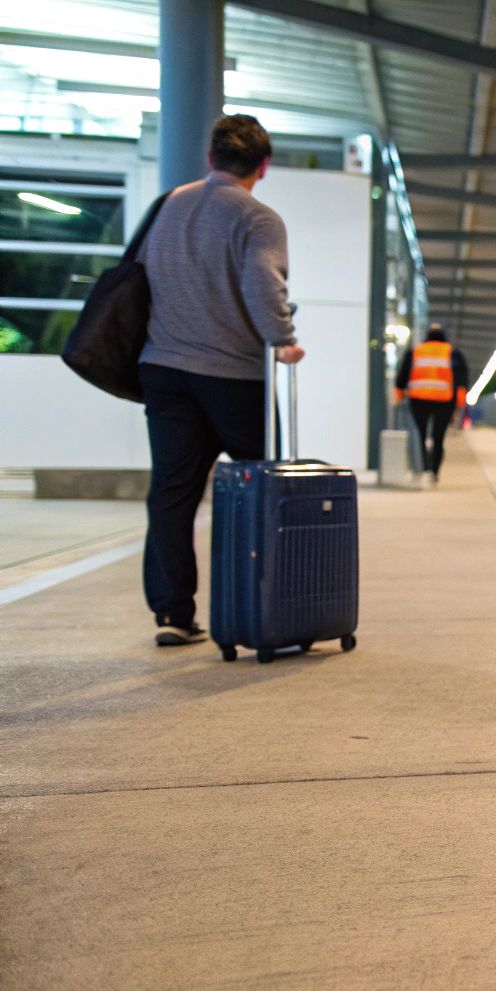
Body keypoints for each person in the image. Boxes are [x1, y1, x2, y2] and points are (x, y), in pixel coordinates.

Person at [138, 114, 303, 648]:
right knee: (266, 487)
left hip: (163, 369)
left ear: (210, 159)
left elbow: (140, 274)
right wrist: (282, 340)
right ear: (263, 166)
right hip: (233, 374)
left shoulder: (167, 205)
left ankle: (172, 613)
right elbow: (262, 284)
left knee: (171, 491)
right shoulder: (259, 218)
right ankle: (272, 604)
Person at [393, 325, 468, 484]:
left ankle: (423, 466)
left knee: (419, 435)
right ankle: (434, 471)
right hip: (444, 400)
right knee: (438, 437)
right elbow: (461, 377)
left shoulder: (415, 351)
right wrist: (460, 399)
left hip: (418, 399)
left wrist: (399, 394)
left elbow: (403, 374)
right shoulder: (452, 352)